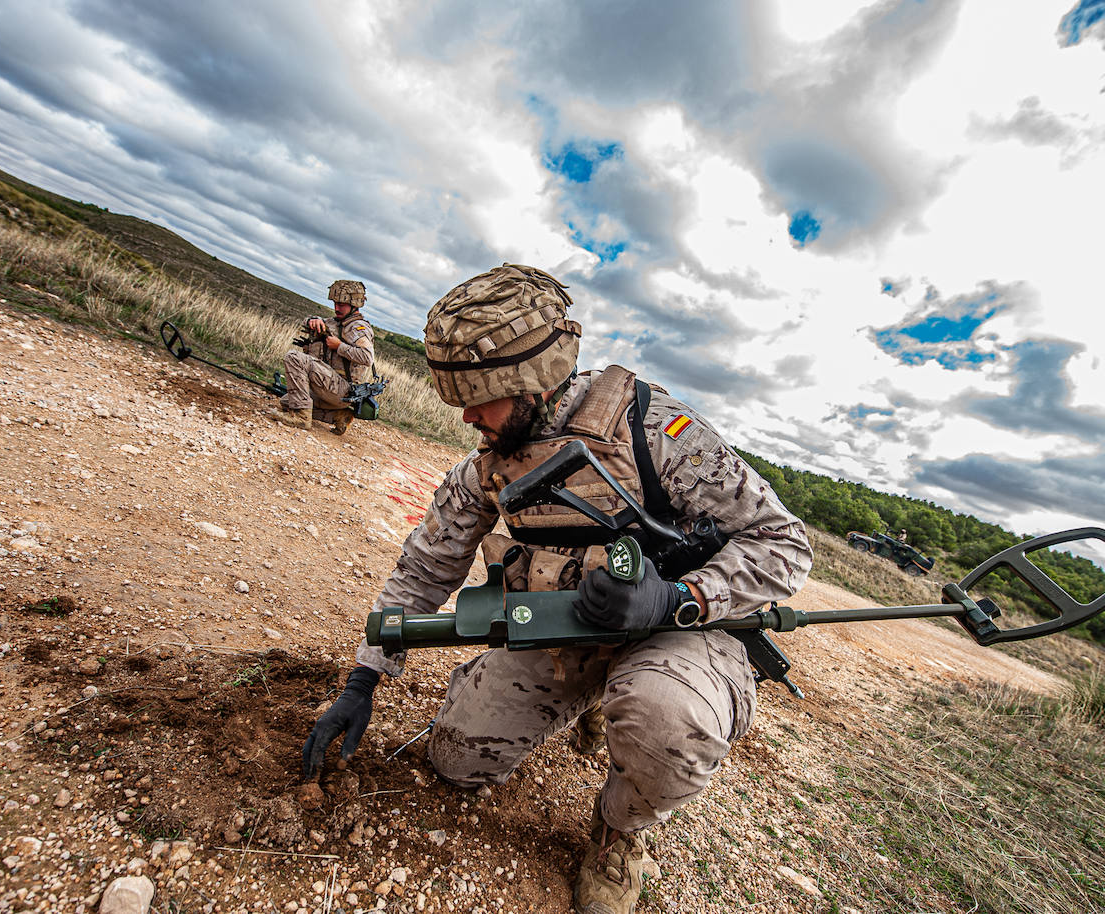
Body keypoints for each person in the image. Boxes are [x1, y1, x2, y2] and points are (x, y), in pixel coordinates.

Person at [301, 264, 812, 914]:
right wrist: (362, 681)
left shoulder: (657, 433)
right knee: (457, 760)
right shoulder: (489, 464)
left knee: (666, 724)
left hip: (677, 630)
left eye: (481, 397)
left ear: (534, 382)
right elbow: (426, 566)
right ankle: (592, 696)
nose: (465, 415)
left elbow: (784, 543)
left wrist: (679, 599)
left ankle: (620, 830)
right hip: (568, 628)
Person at [270, 279, 375, 434]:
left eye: (341, 304)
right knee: (287, 401)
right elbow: (308, 322)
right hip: (328, 388)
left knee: (293, 357)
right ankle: (338, 415)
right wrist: (313, 320)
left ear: (355, 305)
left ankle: (302, 417)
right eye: (335, 303)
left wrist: (339, 346)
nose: (336, 308)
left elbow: (367, 357)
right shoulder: (337, 322)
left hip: (342, 389)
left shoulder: (357, 328)